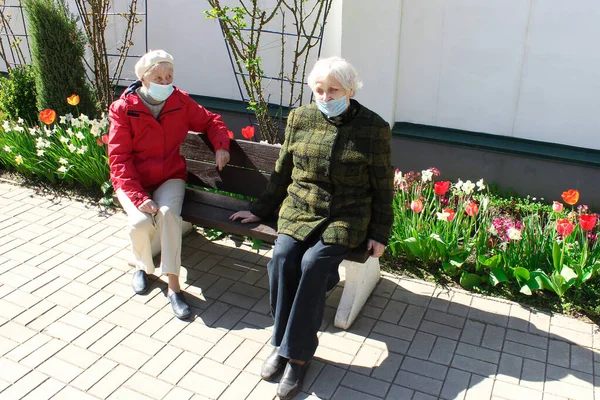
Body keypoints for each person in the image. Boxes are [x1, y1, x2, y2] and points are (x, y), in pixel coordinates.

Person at [230, 56, 393, 399]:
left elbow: (382, 184)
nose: (325, 95)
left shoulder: (373, 127)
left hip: (346, 214)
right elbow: (282, 169)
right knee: (283, 259)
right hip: (300, 206)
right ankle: (281, 342)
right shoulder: (301, 118)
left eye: (333, 89)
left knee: (313, 265)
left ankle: (298, 358)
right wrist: (260, 210)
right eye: (319, 89)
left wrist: (379, 232)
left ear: (350, 89)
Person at [108, 50, 231, 320]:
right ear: (143, 79)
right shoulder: (124, 108)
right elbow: (119, 159)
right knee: (140, 223)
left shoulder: (180, 100)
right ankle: (142, 266)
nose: (165, 82)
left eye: (169, 77)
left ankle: (174, 286)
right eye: (158, 77)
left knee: (168, 216)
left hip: (169, 175)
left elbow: (211, 121)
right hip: (132, 181)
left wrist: (221, 145)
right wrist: (139, 197)